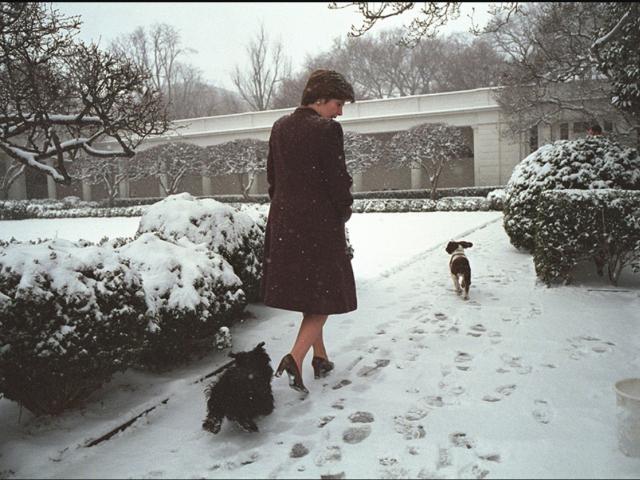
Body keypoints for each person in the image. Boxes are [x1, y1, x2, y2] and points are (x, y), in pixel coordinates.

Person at [261, 69, 357, 395]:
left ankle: (321, 357)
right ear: (319, 98)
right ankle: (295, 357)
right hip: (319, 226)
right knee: (327, 297)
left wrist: (286, 212)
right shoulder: (327, 130)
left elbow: (273, 178)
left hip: (285, 224)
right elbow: (337, 179)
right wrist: (343, 210)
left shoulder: (279, 127)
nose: (340, 111)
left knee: (311, 294)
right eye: (338, 103)